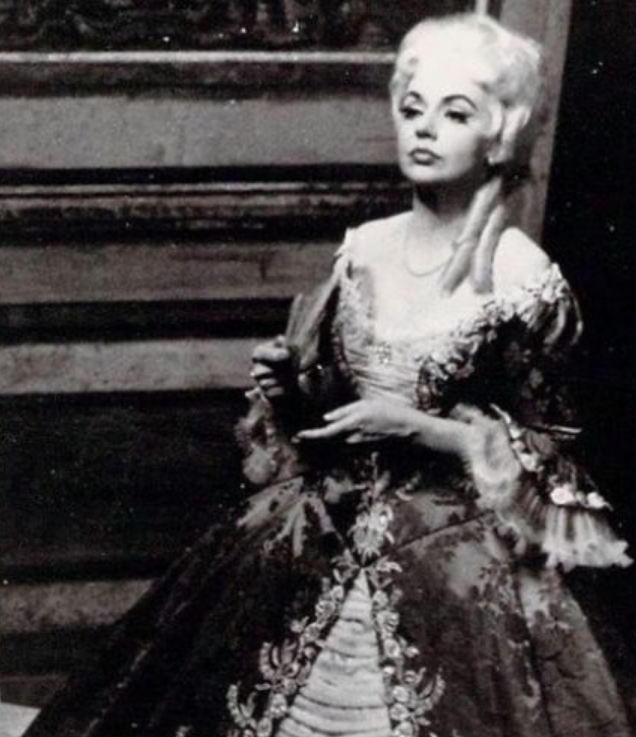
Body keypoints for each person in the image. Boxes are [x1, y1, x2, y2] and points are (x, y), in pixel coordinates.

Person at [24, 12, 636, 737]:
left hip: (456, 548)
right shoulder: (362, 249)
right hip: (321, 518)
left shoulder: (522, 275)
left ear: (500, 134)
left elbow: (552, 446)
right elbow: (326, 415)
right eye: (412, 109)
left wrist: (418, 429)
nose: (424, 129)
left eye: (455, 113)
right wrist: (290, 389)